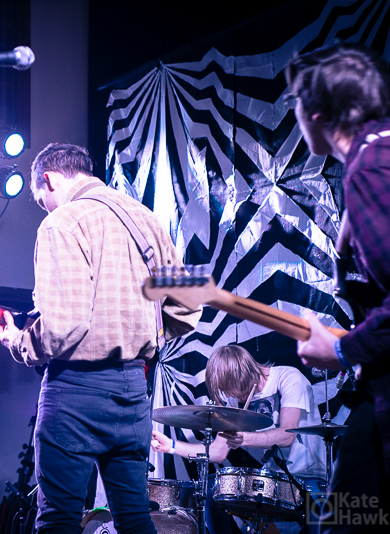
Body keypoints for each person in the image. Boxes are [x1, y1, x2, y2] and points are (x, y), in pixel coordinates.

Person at [0, 143, 201, 533]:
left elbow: (63, 326)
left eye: (41, 201)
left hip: (76, 390)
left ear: (49, 179)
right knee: (136, 520)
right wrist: (144, 330)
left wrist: (18, 342)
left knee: (58, 520)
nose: (46, 209)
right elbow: (189, 306)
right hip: (133, 391)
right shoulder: (146, 218)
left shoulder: (62, 222)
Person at [287, 42, 390, 533]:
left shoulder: (370, 168)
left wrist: (344, 349)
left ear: (316, 111)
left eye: (294, 102)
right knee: (346, 514)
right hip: (377, 388)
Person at [151, 345, 326, 533]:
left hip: (307, 478)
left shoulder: (288, 377)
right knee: (213, 487)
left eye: (230, 389)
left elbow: (287, 435)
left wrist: (244, 439)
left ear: (243, 373)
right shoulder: (237, 398)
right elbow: (217, 452)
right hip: (274, 483)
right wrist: (171, 446)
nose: (229, 395)